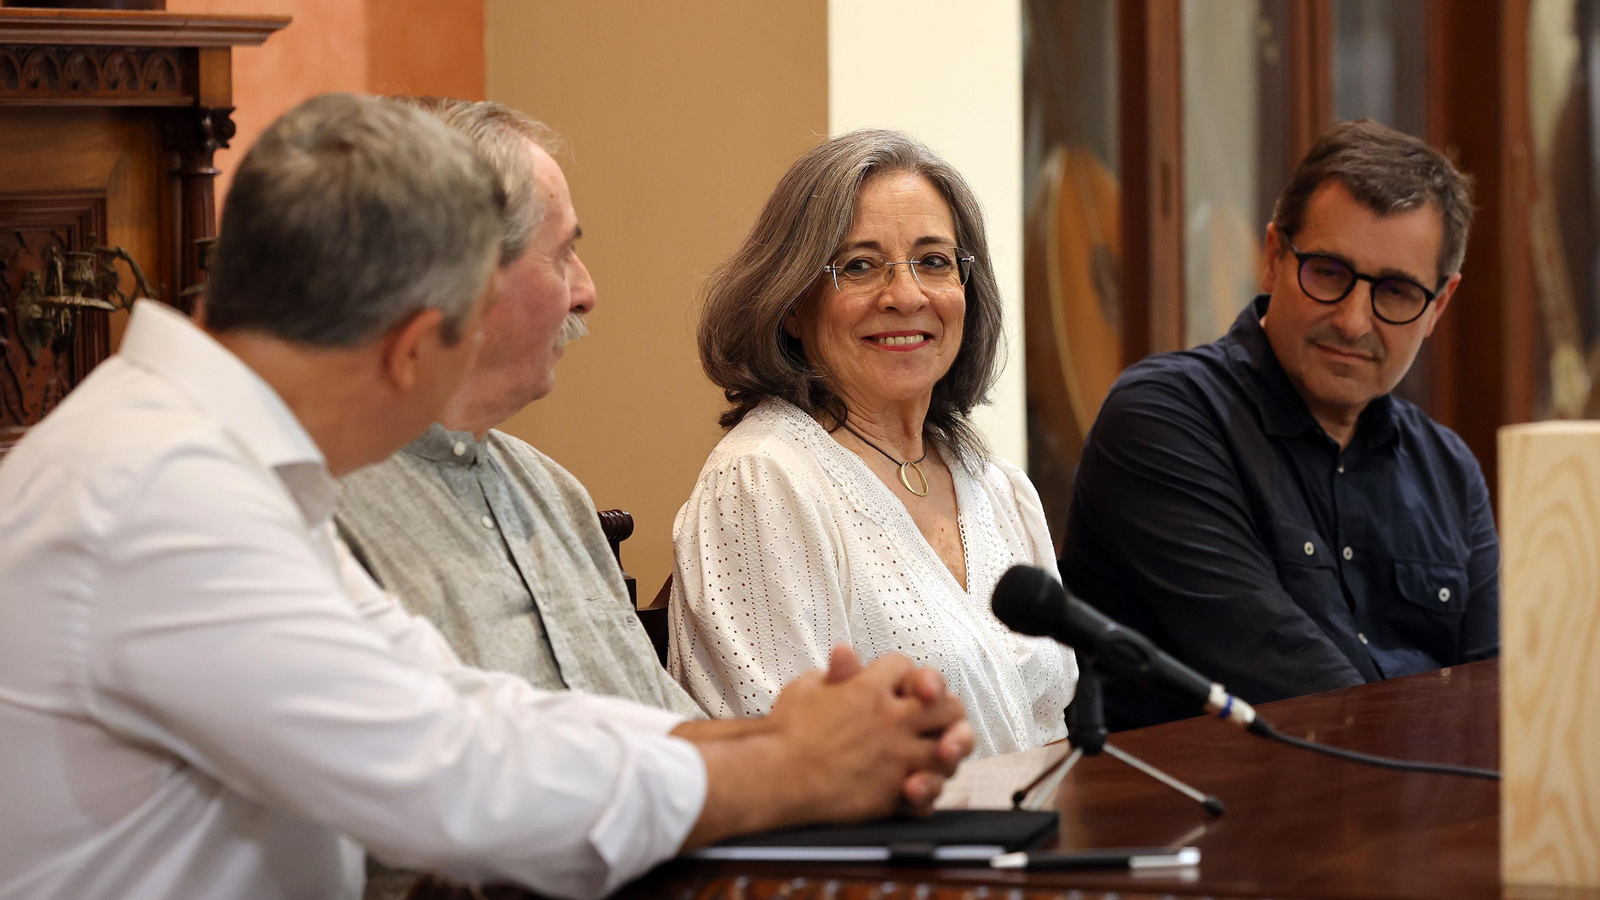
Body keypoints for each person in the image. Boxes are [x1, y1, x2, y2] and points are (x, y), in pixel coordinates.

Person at [0, 94, 972, 900]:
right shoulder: (163, 498)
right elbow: (454, 780)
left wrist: (780, 734)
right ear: (414, 345)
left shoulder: (197, 456)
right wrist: (793, 769)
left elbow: (463, 703)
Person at [333, 96, 702, 900]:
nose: (587, 292)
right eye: (563, 254)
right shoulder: (321, 513)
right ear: (467, 281)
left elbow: (674, 740)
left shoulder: (555, 493)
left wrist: (803, 742)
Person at [1059, 119, 1500, 731]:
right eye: (1328, 273)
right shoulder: (1163, 420)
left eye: (1395, 292)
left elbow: (1497, 702)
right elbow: (1293, 686)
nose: (1351, 321)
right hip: (1202, 821)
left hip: (1420, 815)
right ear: (1273, 258)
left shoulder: (1450, 472)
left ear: (1438, 307)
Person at [670, 129, 1077, 758]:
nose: (906, 295)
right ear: (791, 305)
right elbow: (787, 767)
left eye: (934, 261)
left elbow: (1054, 731)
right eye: (859, 266)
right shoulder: (763, 483)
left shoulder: (999, 490)